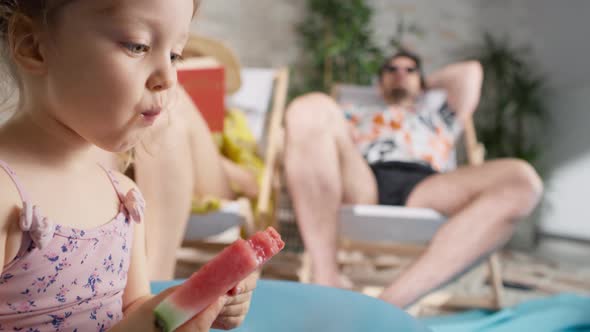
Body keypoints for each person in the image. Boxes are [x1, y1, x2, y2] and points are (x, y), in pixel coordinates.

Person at [0, 0, 254, 331]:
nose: (168, 78)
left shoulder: (123, 197)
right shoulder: (7, 195)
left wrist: (184, 305)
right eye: (138, 46)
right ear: (33, 45)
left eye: (175, 55)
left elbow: (132, 313)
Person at [284, 50, 544, 308]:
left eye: (409, 70)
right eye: (392, 70)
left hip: (425, 185)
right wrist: (405, 81)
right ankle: (326, 278)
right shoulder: (353, 111)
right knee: (308, 106)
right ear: (379, 82)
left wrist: (422, 86)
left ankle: (389, 305)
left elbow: (471, 72)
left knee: (522, 182)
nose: (400, 74)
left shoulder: (441, 114)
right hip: (364, 177)